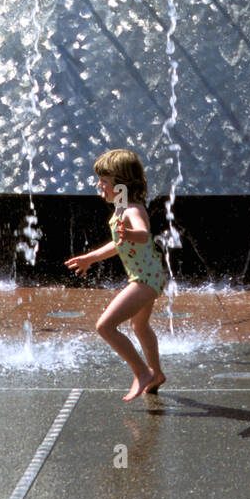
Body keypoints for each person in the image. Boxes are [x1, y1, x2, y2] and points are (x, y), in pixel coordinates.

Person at [65, 149, 166, 401]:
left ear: (121, 184)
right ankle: (156, 374)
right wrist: (91, 257)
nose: (100, 186)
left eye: (104, 181)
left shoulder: (132, 210)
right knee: (139, 325)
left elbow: (143, 234)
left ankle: (141, 372)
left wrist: (130, 234)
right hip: (147, 275)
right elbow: (118, 244)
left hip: (144, 279)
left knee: (105, 326)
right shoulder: (120, 208)